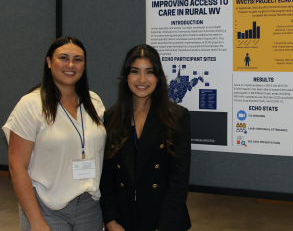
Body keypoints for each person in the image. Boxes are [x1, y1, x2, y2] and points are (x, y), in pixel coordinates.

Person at [3, 37, 106, 231]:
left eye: (78, 59)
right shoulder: (31, 105)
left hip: (90, 205)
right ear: (49, 62)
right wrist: (36, 221)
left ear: (84, 65)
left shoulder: (94, 102)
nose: (70, 65)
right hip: (46, 206)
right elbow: (17, 167)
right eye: (63, 58)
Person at [100, 44, 191, 231]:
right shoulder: (112, 117)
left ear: (158, 78)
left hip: (164, 221)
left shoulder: (177, 117)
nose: (142, 79)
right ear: (126, 77)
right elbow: (107, 176)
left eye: (149, 72)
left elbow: (178, 182)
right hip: (124, 221)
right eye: (135, 71)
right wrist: (111, 220)